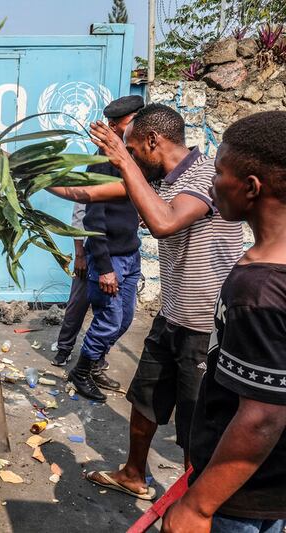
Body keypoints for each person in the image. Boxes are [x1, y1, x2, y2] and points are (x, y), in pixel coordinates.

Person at [48, 104, 243, 499]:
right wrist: (32, 174)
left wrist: (124, 161)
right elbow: (88, 193)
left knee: (195, 422)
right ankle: (134, 474)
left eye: (134, 150)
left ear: (154, 141)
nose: (131, 157)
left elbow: (165, 222)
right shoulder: (162, 179)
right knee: (145, 401)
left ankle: (194, 505)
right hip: (172, 315)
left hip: (204, 326)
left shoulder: (206, 176)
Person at [162, 112, 286, 533]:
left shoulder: (259, 290)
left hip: (239, 498)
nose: (211, 183)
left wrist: (198, 506)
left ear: (251, 187)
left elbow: (263, 417)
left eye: (218, 172)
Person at [66, 96, 143, 401]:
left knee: (122, 320)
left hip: (130, 254)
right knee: (108, 319)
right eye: (132, 122)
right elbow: (93, 219)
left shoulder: (127, 159)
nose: (137, 127)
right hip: (109, 259)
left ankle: (96, 364)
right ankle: (81, 371)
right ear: (114, 127)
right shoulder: (102, 162)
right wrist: (105, 267)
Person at [51, 203, 89, 366]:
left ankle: (96, 356)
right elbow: (79, 215)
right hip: (90, 252)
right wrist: (80, 254)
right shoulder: (94, 181)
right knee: (77, 303)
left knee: (114, 312)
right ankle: (64, 348)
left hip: (118, 253)